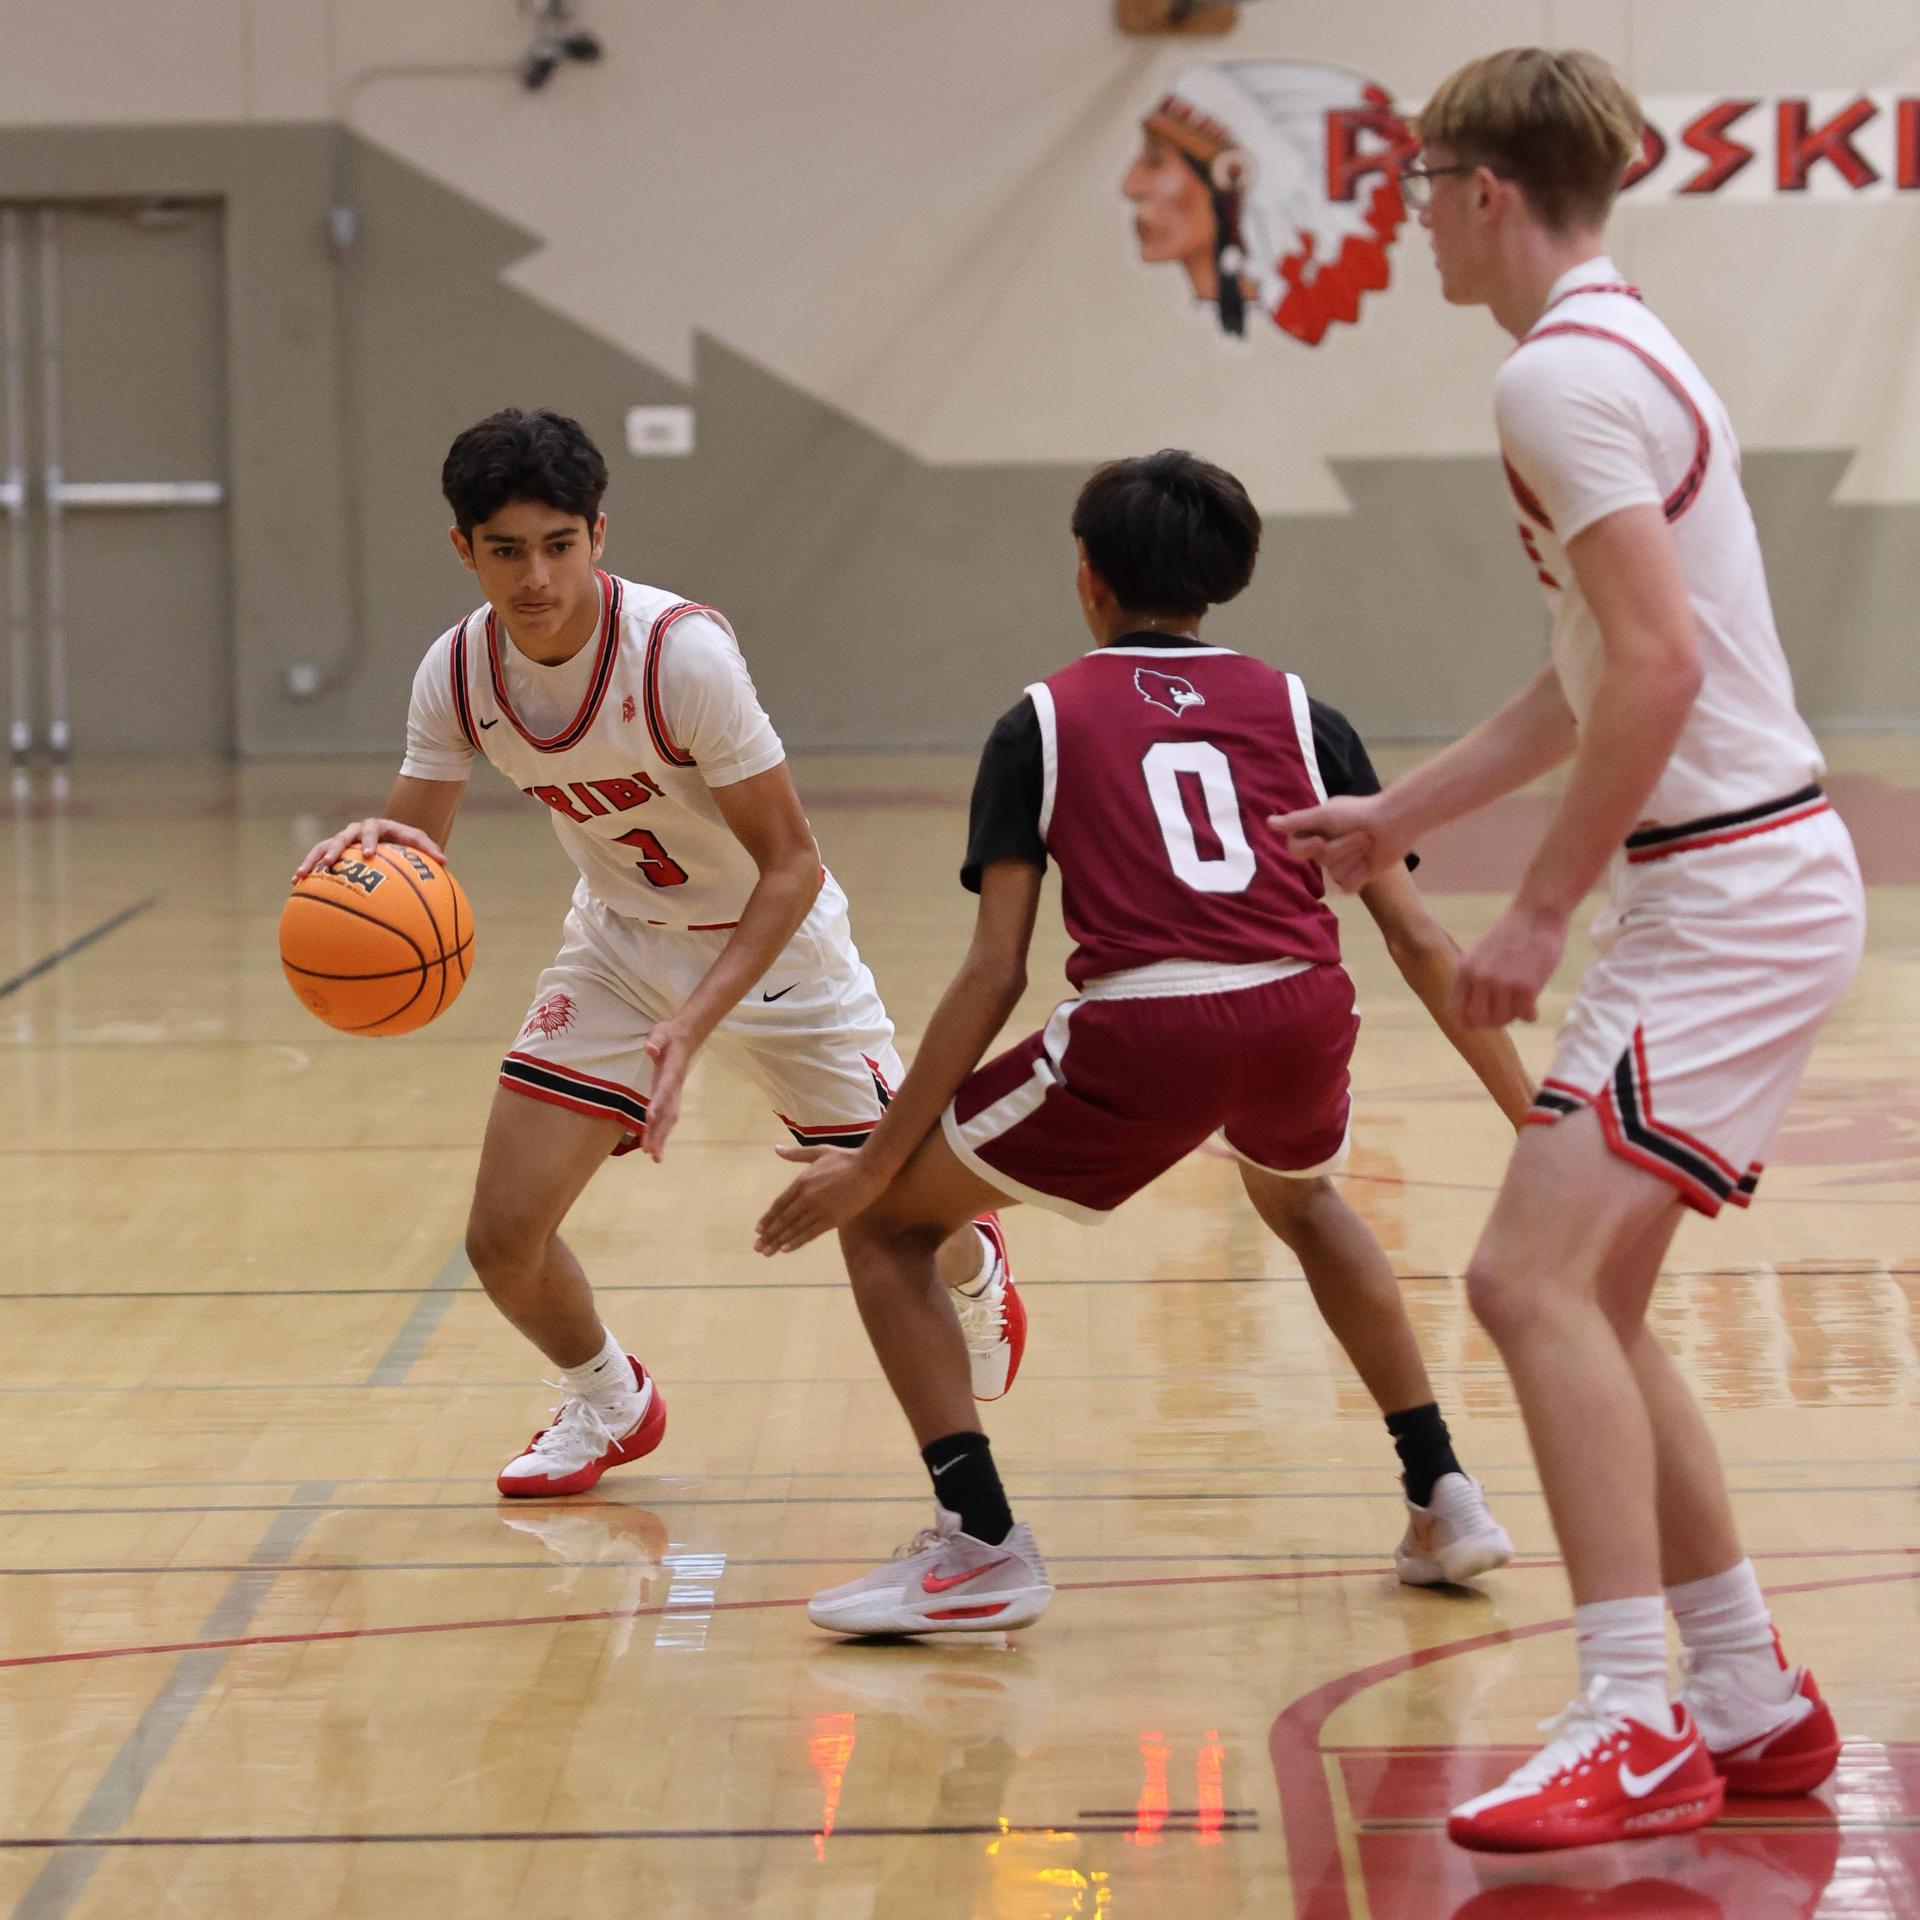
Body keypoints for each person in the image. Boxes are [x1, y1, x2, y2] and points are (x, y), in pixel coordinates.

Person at [1276, 49, 1865, 1853]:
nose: (1405, 216)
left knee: (1526, 1287)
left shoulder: (1556, 379)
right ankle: (1746, 1693)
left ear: (1479, 190)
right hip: (1746, 884)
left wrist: (1538, 904)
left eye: (1415, 183)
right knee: (1585, 1297)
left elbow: (1664, 669)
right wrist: (1404, 819)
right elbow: (1598, 665)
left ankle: (1632, 1715)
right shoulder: (1624, 349)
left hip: (1732, 894)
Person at [755, 447, 1533, 1637]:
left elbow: (994, 970)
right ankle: (1443, 1494)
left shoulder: (1043, 720)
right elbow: (1423, 941)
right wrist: (1532, 1119)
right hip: (1301, 1005)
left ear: (1088, 579)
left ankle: (979, 1543)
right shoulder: (1300, 709)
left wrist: (870, 1160)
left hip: (1147, 1024)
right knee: (1308, 1204)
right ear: (1223, 578)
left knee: (889, 1224)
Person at [293, 408, 1024, 1497]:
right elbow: (418, 847)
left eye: (558, 545)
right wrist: (371, 862)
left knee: (899, 1207)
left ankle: (980, 1273)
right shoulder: (456, 672)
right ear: (463, 548)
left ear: (598, 534)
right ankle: (610, 1402)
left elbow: (792, 865)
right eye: (505, 550)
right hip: (622, 948)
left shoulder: (680, 657)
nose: (535, 576)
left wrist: (697, 1021)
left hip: (781, 958)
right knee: (503, 1238)